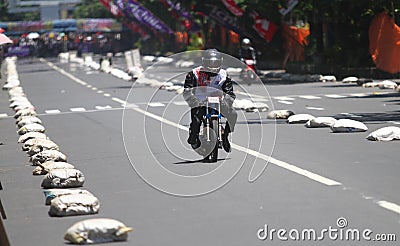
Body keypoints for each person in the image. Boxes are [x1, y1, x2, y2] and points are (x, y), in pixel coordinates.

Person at [183, 49, 237, 153]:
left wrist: (226, 101)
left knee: (233, 114)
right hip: (200, 102)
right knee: (196, 120)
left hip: (219, 102)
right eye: (210, 63)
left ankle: (225, 136)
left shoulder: (224, 75)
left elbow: (230, 93)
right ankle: (194, 137)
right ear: (204, 62)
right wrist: (194, 102)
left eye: (215, 63)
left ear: (220, 62)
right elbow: (187, 91)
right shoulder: (194, 74)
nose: (212, 67)